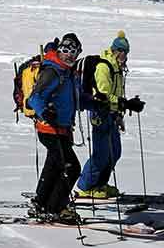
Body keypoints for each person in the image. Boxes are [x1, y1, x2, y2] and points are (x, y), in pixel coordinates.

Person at [75, 31, 146, 200]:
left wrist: (120, 113)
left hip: (112, 114)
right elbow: (103, 95)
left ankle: (100, 184)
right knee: (102, 153)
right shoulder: (103, 67)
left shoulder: (117, 69)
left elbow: (117, 92)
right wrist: (125, 103)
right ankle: (86, 187)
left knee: (115, 151)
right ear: (115, 50)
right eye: (123, 52)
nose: (125, 56)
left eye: (126, 52)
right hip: (100, 112)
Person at [26, 31, 88, 223]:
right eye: (66, 50)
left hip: (62, 130)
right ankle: (55, 208)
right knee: (71, 168)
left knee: (54, 166)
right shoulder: (52, 71)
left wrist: (100, 103)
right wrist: (46, 112)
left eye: (74, 52)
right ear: (60, 50)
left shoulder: (68, 74)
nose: (70, 55)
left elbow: (76, 101)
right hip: (49, 129)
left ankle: (41, 202)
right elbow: (34, 98)